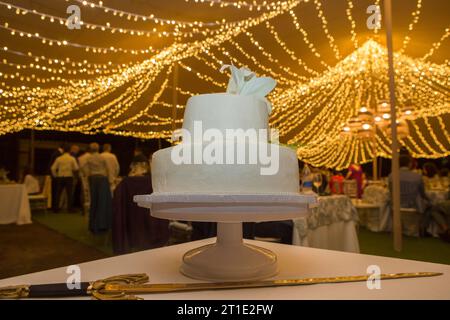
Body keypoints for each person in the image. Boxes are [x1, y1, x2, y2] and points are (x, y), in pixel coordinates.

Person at [388, 155, 430, 235]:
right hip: (413, 205)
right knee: (430, 205)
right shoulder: (417, 176)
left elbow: (391, 191)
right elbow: (422, 193)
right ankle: (424, 229)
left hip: (396, 205)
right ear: (409, 164)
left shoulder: (391, 176)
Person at [81, 143, 112, 234]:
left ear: (90, 149)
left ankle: (93, 225)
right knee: (103, 202)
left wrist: (87, 175)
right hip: (102, 180)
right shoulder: (102, 157)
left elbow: (83, 168)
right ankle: (102, 225)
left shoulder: (88, 158)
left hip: (93, 180)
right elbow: (108, 169)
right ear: (98, 148)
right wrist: (110, 180)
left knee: (94, 202)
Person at [51, 144, 79, 212]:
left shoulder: (59, 158)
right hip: (69, 177)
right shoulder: (72, 158)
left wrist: (55, 176)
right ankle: (70, 208)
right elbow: (76, 168)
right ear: (69, 151)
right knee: (69, 194)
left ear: (63, 151)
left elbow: (52, 168)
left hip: (60, 177)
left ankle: (56, 208)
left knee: (58, 193)